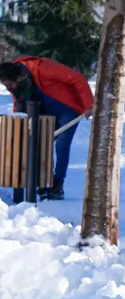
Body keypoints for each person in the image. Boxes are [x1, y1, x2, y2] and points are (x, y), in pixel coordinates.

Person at [0, 56, 94, 200]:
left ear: (19, 77)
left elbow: (77, 78)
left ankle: (57, 184)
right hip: (43, 111)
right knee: (37, 143)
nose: (9, 89)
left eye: (10, 85)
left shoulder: (43, 68)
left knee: (62, 144)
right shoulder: (19, 86)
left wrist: (89, 104)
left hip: (67, 108)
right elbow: (19, 104)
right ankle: (43, 181)